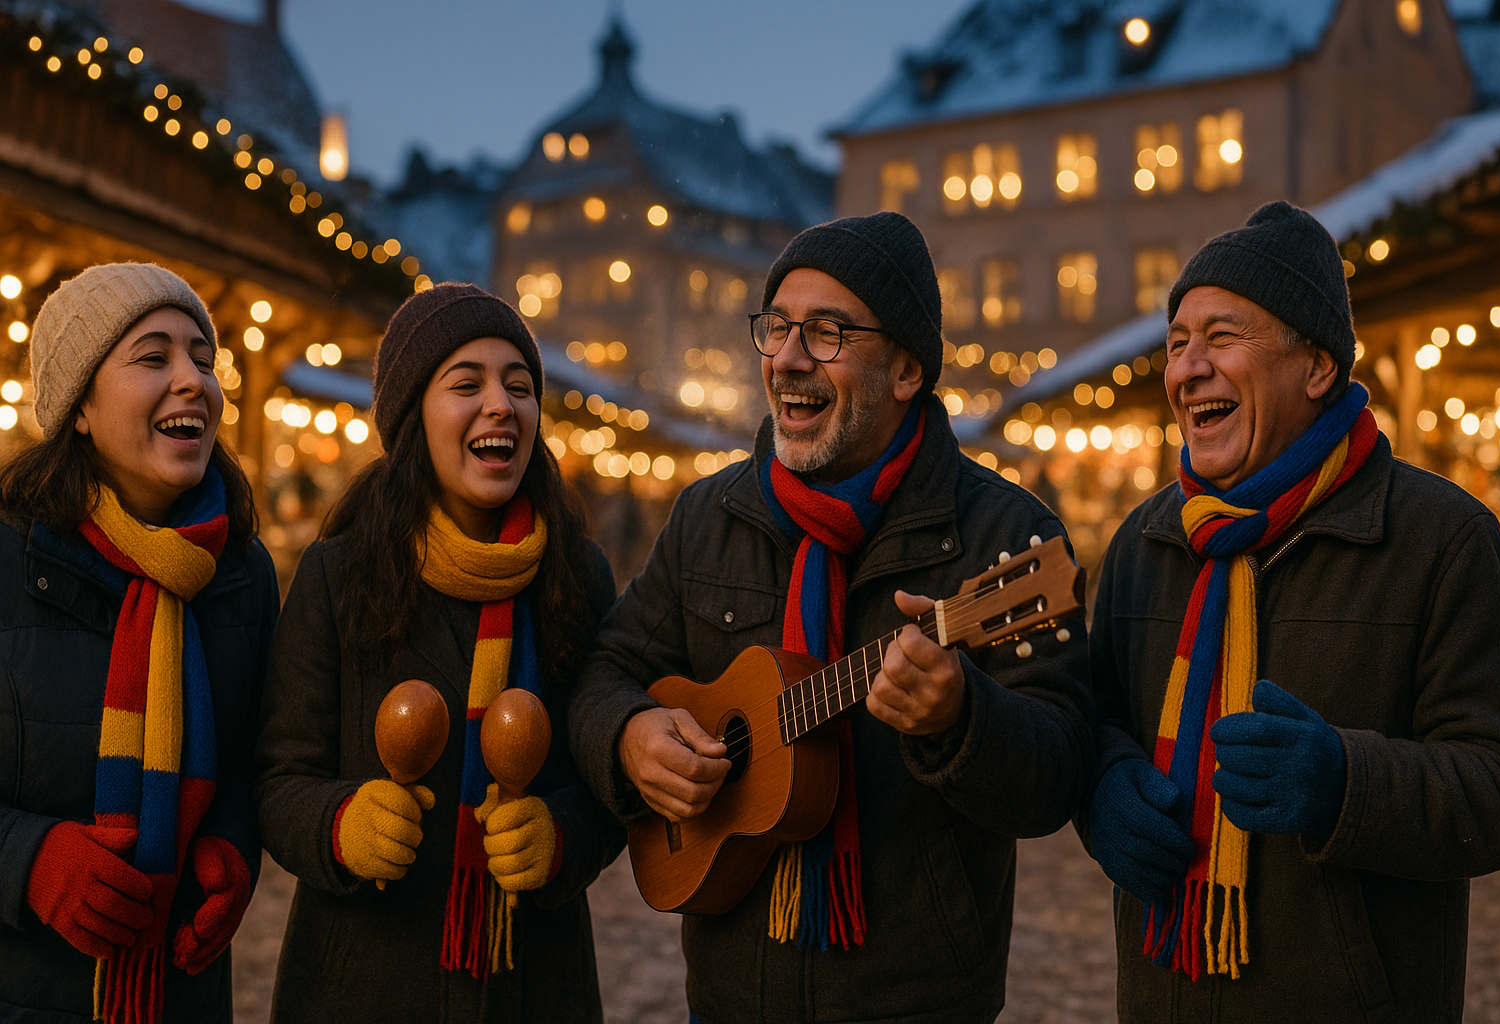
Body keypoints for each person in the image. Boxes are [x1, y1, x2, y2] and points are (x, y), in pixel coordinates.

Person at [568, 211, 1095, 1024]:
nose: (786, 358)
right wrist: (628, 735)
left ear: (907, 370)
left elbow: (1056, 776)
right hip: (729, 996)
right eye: (777, 328)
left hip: (918, 1002)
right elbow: (605, 671)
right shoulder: (709, 515)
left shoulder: (1004, 537)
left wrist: (960, 718)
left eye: (825, 332)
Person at [1079, 202, 1500, 1022]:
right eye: (1178, 343)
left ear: (1317, 366)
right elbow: (1091, 722)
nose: (1188, 369)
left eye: (1222, 337)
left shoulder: (1443, 539)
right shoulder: (1144, 543)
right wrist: (1101, 789)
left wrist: (1344, 783)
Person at [256, 283, 625, 1023]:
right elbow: (276, 778)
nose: (501, 404)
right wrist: (340, 824)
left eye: (519, 386)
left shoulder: (578, 578)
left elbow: (608, 782)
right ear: (412, 415)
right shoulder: (338, 574)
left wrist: (560, 839)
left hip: (533, 983)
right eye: (467, 384)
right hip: (360, 982)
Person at [0, 264, 276, 1023]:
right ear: (80, 406)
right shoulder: (7, 557)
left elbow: (259, 759)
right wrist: (28, 860)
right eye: (153, 358)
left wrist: (233, 847)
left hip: (179, 992)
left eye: (203, 359)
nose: (193, 380)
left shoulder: (243, 574)